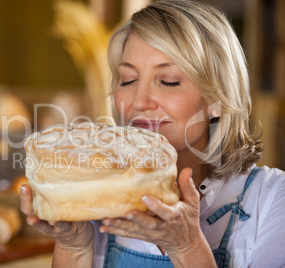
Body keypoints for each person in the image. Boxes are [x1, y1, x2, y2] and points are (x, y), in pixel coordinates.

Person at [21, 0, 285, 267]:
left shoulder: (271, 199)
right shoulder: (93, 200)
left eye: (168, 81)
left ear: (218, 99)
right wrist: (74, 245)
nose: (139, 101)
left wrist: (187, 246)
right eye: (128, 80)